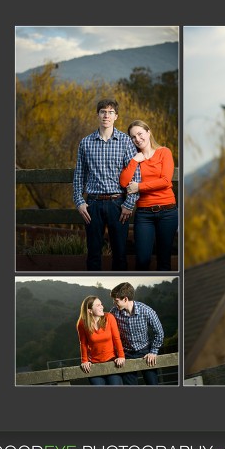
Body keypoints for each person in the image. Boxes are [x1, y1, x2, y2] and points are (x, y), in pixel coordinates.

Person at [72, 99, 140, 271]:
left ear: (116, 116)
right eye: (103, 111)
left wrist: (129, 204)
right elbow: (79, 175)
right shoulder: (86, 143)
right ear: (98, 115)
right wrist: (79, 202)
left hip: (118, 204)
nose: (106, 115)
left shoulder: (126, 142)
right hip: (92, 204)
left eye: (110, 112)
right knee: (93, 254)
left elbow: (135, 175)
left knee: (120, 254)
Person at [119, 120, 178, 271]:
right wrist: (134, 161)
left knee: (164, 260)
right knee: (143, 259)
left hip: (168, 212)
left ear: (148, 132)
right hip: (144, 214)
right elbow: (124, 182)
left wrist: (139, 187)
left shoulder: (164, 152)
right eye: (133, 137)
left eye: (140, 134)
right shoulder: (135, 158)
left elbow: (165, 181)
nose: (137, 139)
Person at [110, 282, 165, 385]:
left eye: (116, 300)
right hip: (126, 355)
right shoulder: (114, 313)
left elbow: (159, 332)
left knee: (153, 385)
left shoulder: (147, 311)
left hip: (145, 352)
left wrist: (153, 352)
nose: (114, 303)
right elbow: (110, 334)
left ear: (125, 299)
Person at [76, 296, 125, 385]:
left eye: (101, 304)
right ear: (89, 310)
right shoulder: (82, 324)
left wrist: (121, 356)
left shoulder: (109, 317)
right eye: (98, 305)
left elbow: (116, 338)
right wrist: (84, 361)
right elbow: (83, 343)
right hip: (94, 363)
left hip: (111, 360)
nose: (102, 306)